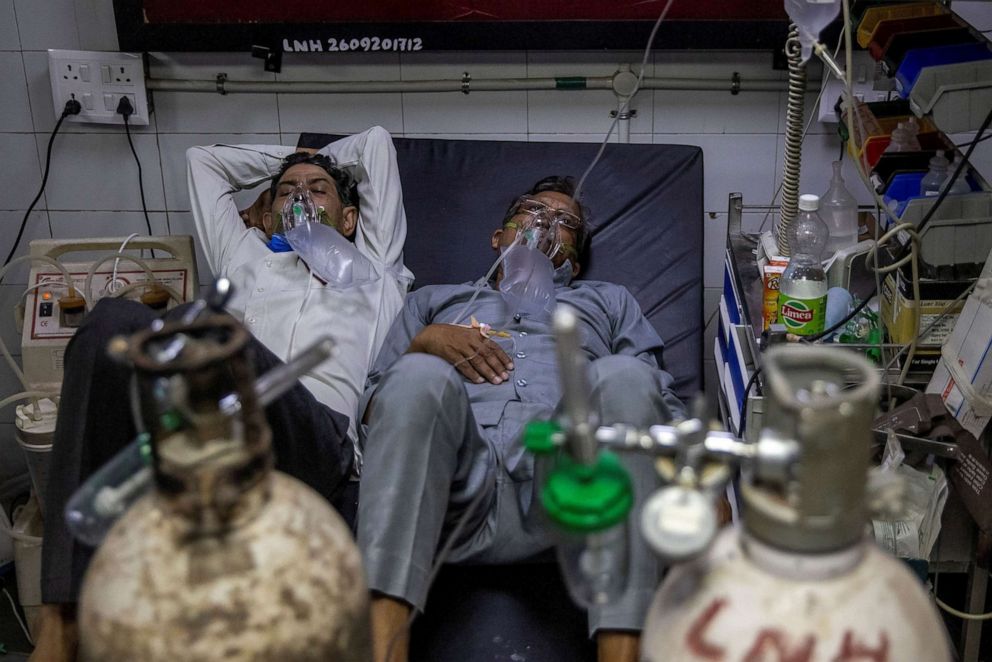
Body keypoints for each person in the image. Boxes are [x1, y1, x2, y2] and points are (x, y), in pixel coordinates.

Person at [31, 126, 412, 661]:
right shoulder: (244, 256)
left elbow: (373, 144)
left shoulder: (378, 267)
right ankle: (62, 622)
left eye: (319, 189)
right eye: (287, 192)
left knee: (203, 326)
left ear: (351, 219)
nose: (301, 195)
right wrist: (294, 170)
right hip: (210, 426)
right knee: (109, 324)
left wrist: (311, 159)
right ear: (266, 211)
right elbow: (201, 161)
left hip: (315, 442)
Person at [357, 176, 686, 662]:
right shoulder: (433, 302)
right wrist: (425, 344)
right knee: (415, 374)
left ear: (572, 260)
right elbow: (373, 407)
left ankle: (621, 652)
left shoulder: (609, 301)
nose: (546, 223)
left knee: (625, 373)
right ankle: (383, 649)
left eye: (565, 223)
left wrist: (697, 478)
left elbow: (656, 397)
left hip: (570, 489)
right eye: (532, 211)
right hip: (449, 491)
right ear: (498, 238)